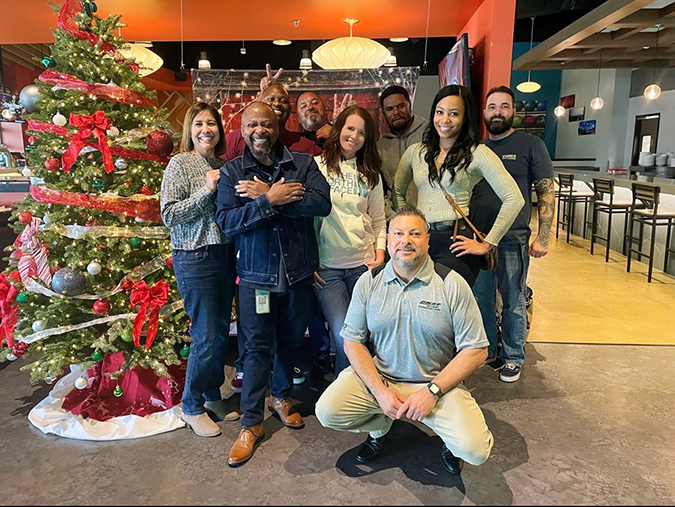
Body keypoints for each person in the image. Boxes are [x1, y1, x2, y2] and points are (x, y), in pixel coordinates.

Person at [316, 206, 494, 475]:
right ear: (388, 240)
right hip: (384, 379)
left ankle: (449, 442)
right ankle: (379, 427)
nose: (406, 240)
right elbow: (352, 341)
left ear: (428, 240)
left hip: (436, 385)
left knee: (475, 450)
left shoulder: (451, 284)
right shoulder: (369, 282)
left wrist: (432, 392)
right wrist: (379, 390)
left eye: (415, 233)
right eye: (398, 233)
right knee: (328, 411)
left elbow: (477, 350)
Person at [215, 102, 331, 467]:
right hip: (255, 280)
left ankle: (280, 396)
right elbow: (226, 223)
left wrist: (272, 196)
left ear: (277, 125)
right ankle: (251, 422)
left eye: (266, 123)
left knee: (292, 341)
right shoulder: (233, 171)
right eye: (252, 125)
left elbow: (321, 203)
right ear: (243, 128)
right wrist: (269, 200)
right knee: (255, 350)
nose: (259, 130)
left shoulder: (303, 164)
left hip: (298, 274)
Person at [160, 102, 239, 438]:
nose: (206, 129)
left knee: (221, 331)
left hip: (223, 256)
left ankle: (210, 396)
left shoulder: (223, 164)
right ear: (189, 131)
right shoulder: (180, 163)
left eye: (212, 124)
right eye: (199, 124)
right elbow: (170, 215)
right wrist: (206, 190)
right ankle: (190, 405)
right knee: (205, 335)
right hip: (194, 257)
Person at [393, 84, 524, 287]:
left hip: (455, 243)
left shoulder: (477, 153)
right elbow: (398, 190)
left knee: (445, 307)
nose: (444, 120)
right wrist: (406, 229)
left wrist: (488, 243)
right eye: (439, 112)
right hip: (420, 240)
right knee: (418, 306)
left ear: (465, 118)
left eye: (454, 114)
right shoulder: (415, 152)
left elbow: (514, 198)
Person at [471, 86, 555, 383]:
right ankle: (489, 352)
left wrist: (543, 237)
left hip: (513, 238)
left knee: (513, 300)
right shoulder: (477, 148)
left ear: (513, 112)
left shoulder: (530, 145)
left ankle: (513, 356)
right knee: (480, 300)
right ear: (484, 113)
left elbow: (545, 191)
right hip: (478, 239)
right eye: (492, 106)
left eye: (504, 106)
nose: (497, 112)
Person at [313, 105, 386, 375]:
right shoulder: (317, 166)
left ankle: (354, 390)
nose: (354, 136)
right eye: (350, 128)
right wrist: (311, 261)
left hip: (361, 267)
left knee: (359, 334)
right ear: (339, 129)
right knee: (344, 335)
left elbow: (379, 220)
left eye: (362, 133)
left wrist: (380, 253)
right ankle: (343, 393)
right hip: (327, 269)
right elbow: (307, 220)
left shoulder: (371, 173)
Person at [225, 84, 322, 159]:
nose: (276, 103)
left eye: (283, 101)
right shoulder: (235, 139)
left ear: (289, 109)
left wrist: (335, 131)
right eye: (271, 99)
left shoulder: (305, 145)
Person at [376, 85, 428, 213]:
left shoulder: (431, 133)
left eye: (400, 106)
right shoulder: (380, 147)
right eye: (389, 109)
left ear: (409, 105)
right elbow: (379, 189)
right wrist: (390, 215)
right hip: (398, 221)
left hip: (432, 218)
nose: (396, 112)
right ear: (383, 113)